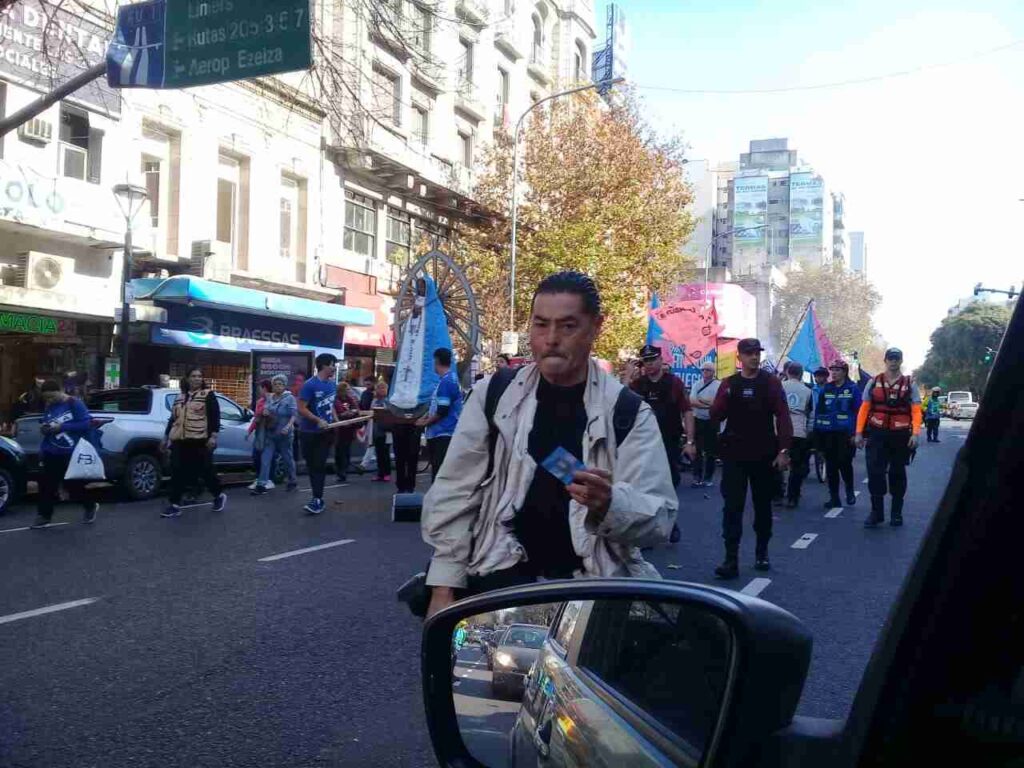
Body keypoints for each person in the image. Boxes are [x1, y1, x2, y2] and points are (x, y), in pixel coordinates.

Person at [422, 271, 677, 618]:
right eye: (541, 325)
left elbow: (660, 519)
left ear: (596, 327)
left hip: (592, 594)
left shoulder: (629, 412)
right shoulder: (493, 394)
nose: (551, 339)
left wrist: (611, 503)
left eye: (568, 326)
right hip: (498, 585)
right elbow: (455, 491)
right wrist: (443, 587)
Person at [709, 338, 793, 579]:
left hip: (763, 454)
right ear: (739, 357)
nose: (754, 357)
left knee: (762, 506)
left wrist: (784, 450)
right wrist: (722, 396)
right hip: (734, 454)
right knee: (732, 508)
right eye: (749, 353)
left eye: (757, 353)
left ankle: (761, 552)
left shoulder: (771, 382)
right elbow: (716, 415)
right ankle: (730, 559)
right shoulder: (729, 383)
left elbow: (783, 416)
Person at [629, 344, 696, 545]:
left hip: (669, 442)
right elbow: (621, 408)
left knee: (669, 483)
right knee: (644, 486)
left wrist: (690, 441)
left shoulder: (674, 383)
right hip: (643, 443)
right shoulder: (638, 384)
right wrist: (627, 378)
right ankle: (650, 529)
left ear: (660, 360)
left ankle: (670, 519)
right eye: (646, 361)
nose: (649, 364)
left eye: (652, 359)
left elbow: (687, 411)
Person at [856, 347, 922, 528]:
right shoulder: (873, 382)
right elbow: (864, 409)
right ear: (885, 360)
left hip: (900, 435)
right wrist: (859, 433)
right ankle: (876, 513)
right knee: (875, 473)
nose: (893, 361)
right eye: (890, 358)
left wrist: (915, 434)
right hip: (877, 434)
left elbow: (916, 411)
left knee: (897, 473)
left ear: (901, 361)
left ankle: (896, 514)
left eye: (896, 358)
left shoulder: (910, 384)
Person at [30, 380, 99, 528]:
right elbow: (47, 423)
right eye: (46, 398)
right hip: (51, 450)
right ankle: (44, 516)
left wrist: (62, 427)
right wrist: (45, 430)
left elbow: (86, 423)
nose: (49, 400)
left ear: (60, 391)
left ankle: (90, 505)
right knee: (46, 485)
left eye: (52, 397)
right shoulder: (50, 406)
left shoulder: (74, 403)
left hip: (71, 451)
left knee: (72, 485)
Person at [162, 368, 225, 518]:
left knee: (206, 471)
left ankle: (218, 495)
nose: (197, 379)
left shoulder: (208, 395)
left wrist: (213, 437)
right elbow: (173, 419)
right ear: (187, 379)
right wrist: (165, 437)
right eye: (194, 376)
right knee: (177, 471)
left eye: (199, 376)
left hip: (199, 440)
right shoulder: (180, 397)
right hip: (180, 440)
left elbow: (214, 417)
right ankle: (174, 504)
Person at [814, 360, 862, 509]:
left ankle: (849, 491)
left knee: (845, 463)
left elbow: (860, 412)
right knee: (831, 467)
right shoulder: (826, 389)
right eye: (832, 370)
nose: (834, 373)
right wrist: (817, 434)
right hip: (828, 433)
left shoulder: (853, 389)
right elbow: (819, 412)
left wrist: (857, 433)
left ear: (844, 372)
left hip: (846, 434)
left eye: (837, 370)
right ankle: (834, 498)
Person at [297, 353, 338, 515]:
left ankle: (317, 499)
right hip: (308, 432)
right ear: (324, 366)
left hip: (325, 433)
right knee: (312, 466)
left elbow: (330, 406)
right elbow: (301, 408)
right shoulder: (310, 385)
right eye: (332, 364)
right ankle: (317, 497)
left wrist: (336, 421)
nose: (334, 368)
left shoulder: (332, 385)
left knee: (319, 465)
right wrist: (317, 420)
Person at [416, 347, 463, 480]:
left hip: (443, 433)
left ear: (436, 361)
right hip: (446, 432)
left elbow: (442, 410)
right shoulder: (450, 379)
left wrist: (425, 422)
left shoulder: (446, 382)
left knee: (439, 473)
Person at [252, 375, 298, 494]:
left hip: (284, 434)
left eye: (280, 384)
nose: (278, 386)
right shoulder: (270, 397)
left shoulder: (290, 398)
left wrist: (288, 427)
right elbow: (265, 409)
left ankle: (292, 481)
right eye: (275, 384)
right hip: (270, 432)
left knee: (287, 458)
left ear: (284, 386)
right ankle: (261, 484)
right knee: (265, 458)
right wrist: (265, 412)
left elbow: (294, 415)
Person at [781, 362, 814, 508]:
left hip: (780, 430)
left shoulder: (779, 386)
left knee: (776, 463)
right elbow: (811, 413)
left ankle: (777, 494)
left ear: (787, 372)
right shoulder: (807, 391)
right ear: (801, 374)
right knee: (797, 466)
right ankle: (793, 497)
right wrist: (809, 431)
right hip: (799, 431)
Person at [689, 360, 721, 488]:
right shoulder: (697, 384)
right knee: (697, 449)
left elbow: (717, 403)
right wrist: (708, 405)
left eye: (707, 370)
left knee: (711, 451)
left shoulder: (718, 385)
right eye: (703, 369)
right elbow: (692, 401)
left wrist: (702, 401)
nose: (704, 372)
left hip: (712, 421)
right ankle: (697, 476)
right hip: (698, 420)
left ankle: (708, 477)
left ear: (713, 372)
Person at [333, 381, 362, 483]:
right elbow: (340, 413)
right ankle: (341, 472)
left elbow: (356, 409)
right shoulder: (336, 399)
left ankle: (344, 471)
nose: (349, 391)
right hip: (340, 430)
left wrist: (351, 412)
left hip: (349, 429)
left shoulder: (350, 398)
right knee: (340, 452)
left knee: (346, 451)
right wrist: (349, 412)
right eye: (347, 389)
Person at [247, 380, 272, 490]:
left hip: (269, 431)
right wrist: (249, 431)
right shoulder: (260, 401)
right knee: (256, 456)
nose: (259, 390)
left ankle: (267, 479)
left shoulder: (272, 400)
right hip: (259, 431)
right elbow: (256, 418)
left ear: (265, 388)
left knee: (266, 457)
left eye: (260, 388)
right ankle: (259, 479)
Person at [369, 380, 392, 482]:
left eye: (383, 388)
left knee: (385, 452)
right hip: (376, 430)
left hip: (386, 430)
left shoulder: (388, 401)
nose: (381, 390)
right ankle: (380, 473)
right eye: (379, 388)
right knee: (378, 452)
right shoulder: (374, 401)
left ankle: (387, 473)